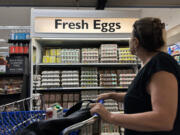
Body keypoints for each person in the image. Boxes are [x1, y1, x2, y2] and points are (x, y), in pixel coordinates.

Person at [90, 17, 180, 135]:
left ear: (136, 42)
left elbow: (164, 120)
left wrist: (110, 116)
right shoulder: (152, 64)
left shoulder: (160, 64)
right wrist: (112, 95)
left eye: (130, 37)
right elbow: (142, 97)